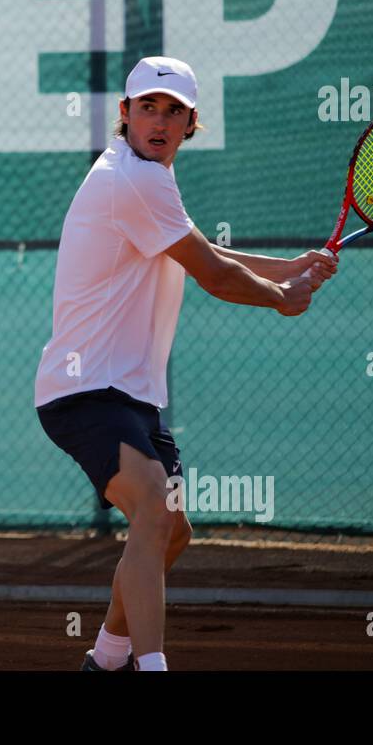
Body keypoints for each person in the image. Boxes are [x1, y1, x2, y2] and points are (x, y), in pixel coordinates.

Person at [33, 55, 339, 671]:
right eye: (148, 107)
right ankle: (151, 667)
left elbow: (200, 250)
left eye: (174, 112)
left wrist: (289, 268)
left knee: (172, 531)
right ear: (125, 115)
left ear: (191, 124)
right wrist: (281, 298)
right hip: (83, 389)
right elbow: (215, 276)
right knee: (151, 505)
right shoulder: (132, 178)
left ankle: (108, 658)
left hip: (128, 395)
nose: (160, 121)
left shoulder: (146, 180)